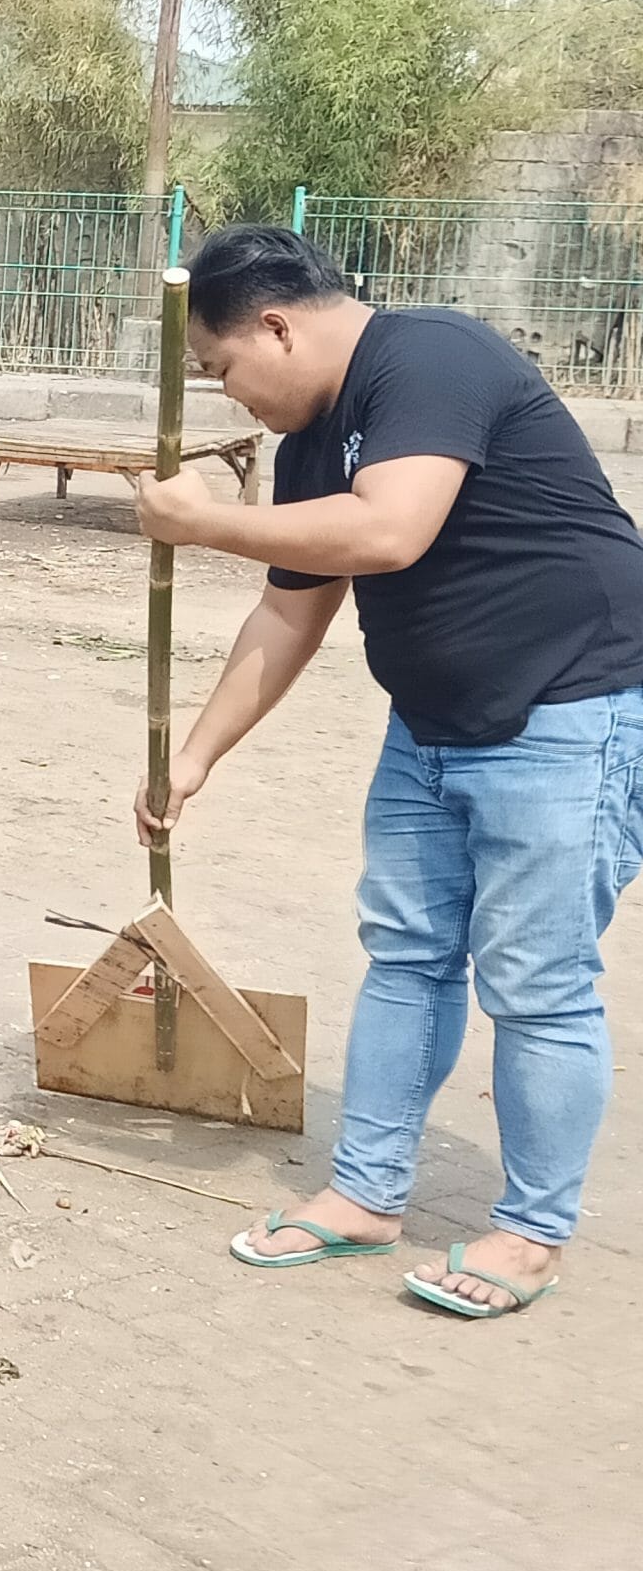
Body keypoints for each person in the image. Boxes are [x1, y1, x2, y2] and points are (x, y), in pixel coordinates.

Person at [136, 223, 643, 1320]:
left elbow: (391, 531)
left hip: (569, 710)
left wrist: (203, 520)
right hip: (431, 726)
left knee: (536, 982)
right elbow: (289, 608)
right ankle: (366, 1196)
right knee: (407, 956)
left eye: (223, 371)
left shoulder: (431, 358)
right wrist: (196, 752)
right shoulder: (313, 444)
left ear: (275, 326)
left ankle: (530, 1232)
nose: (230, 398)